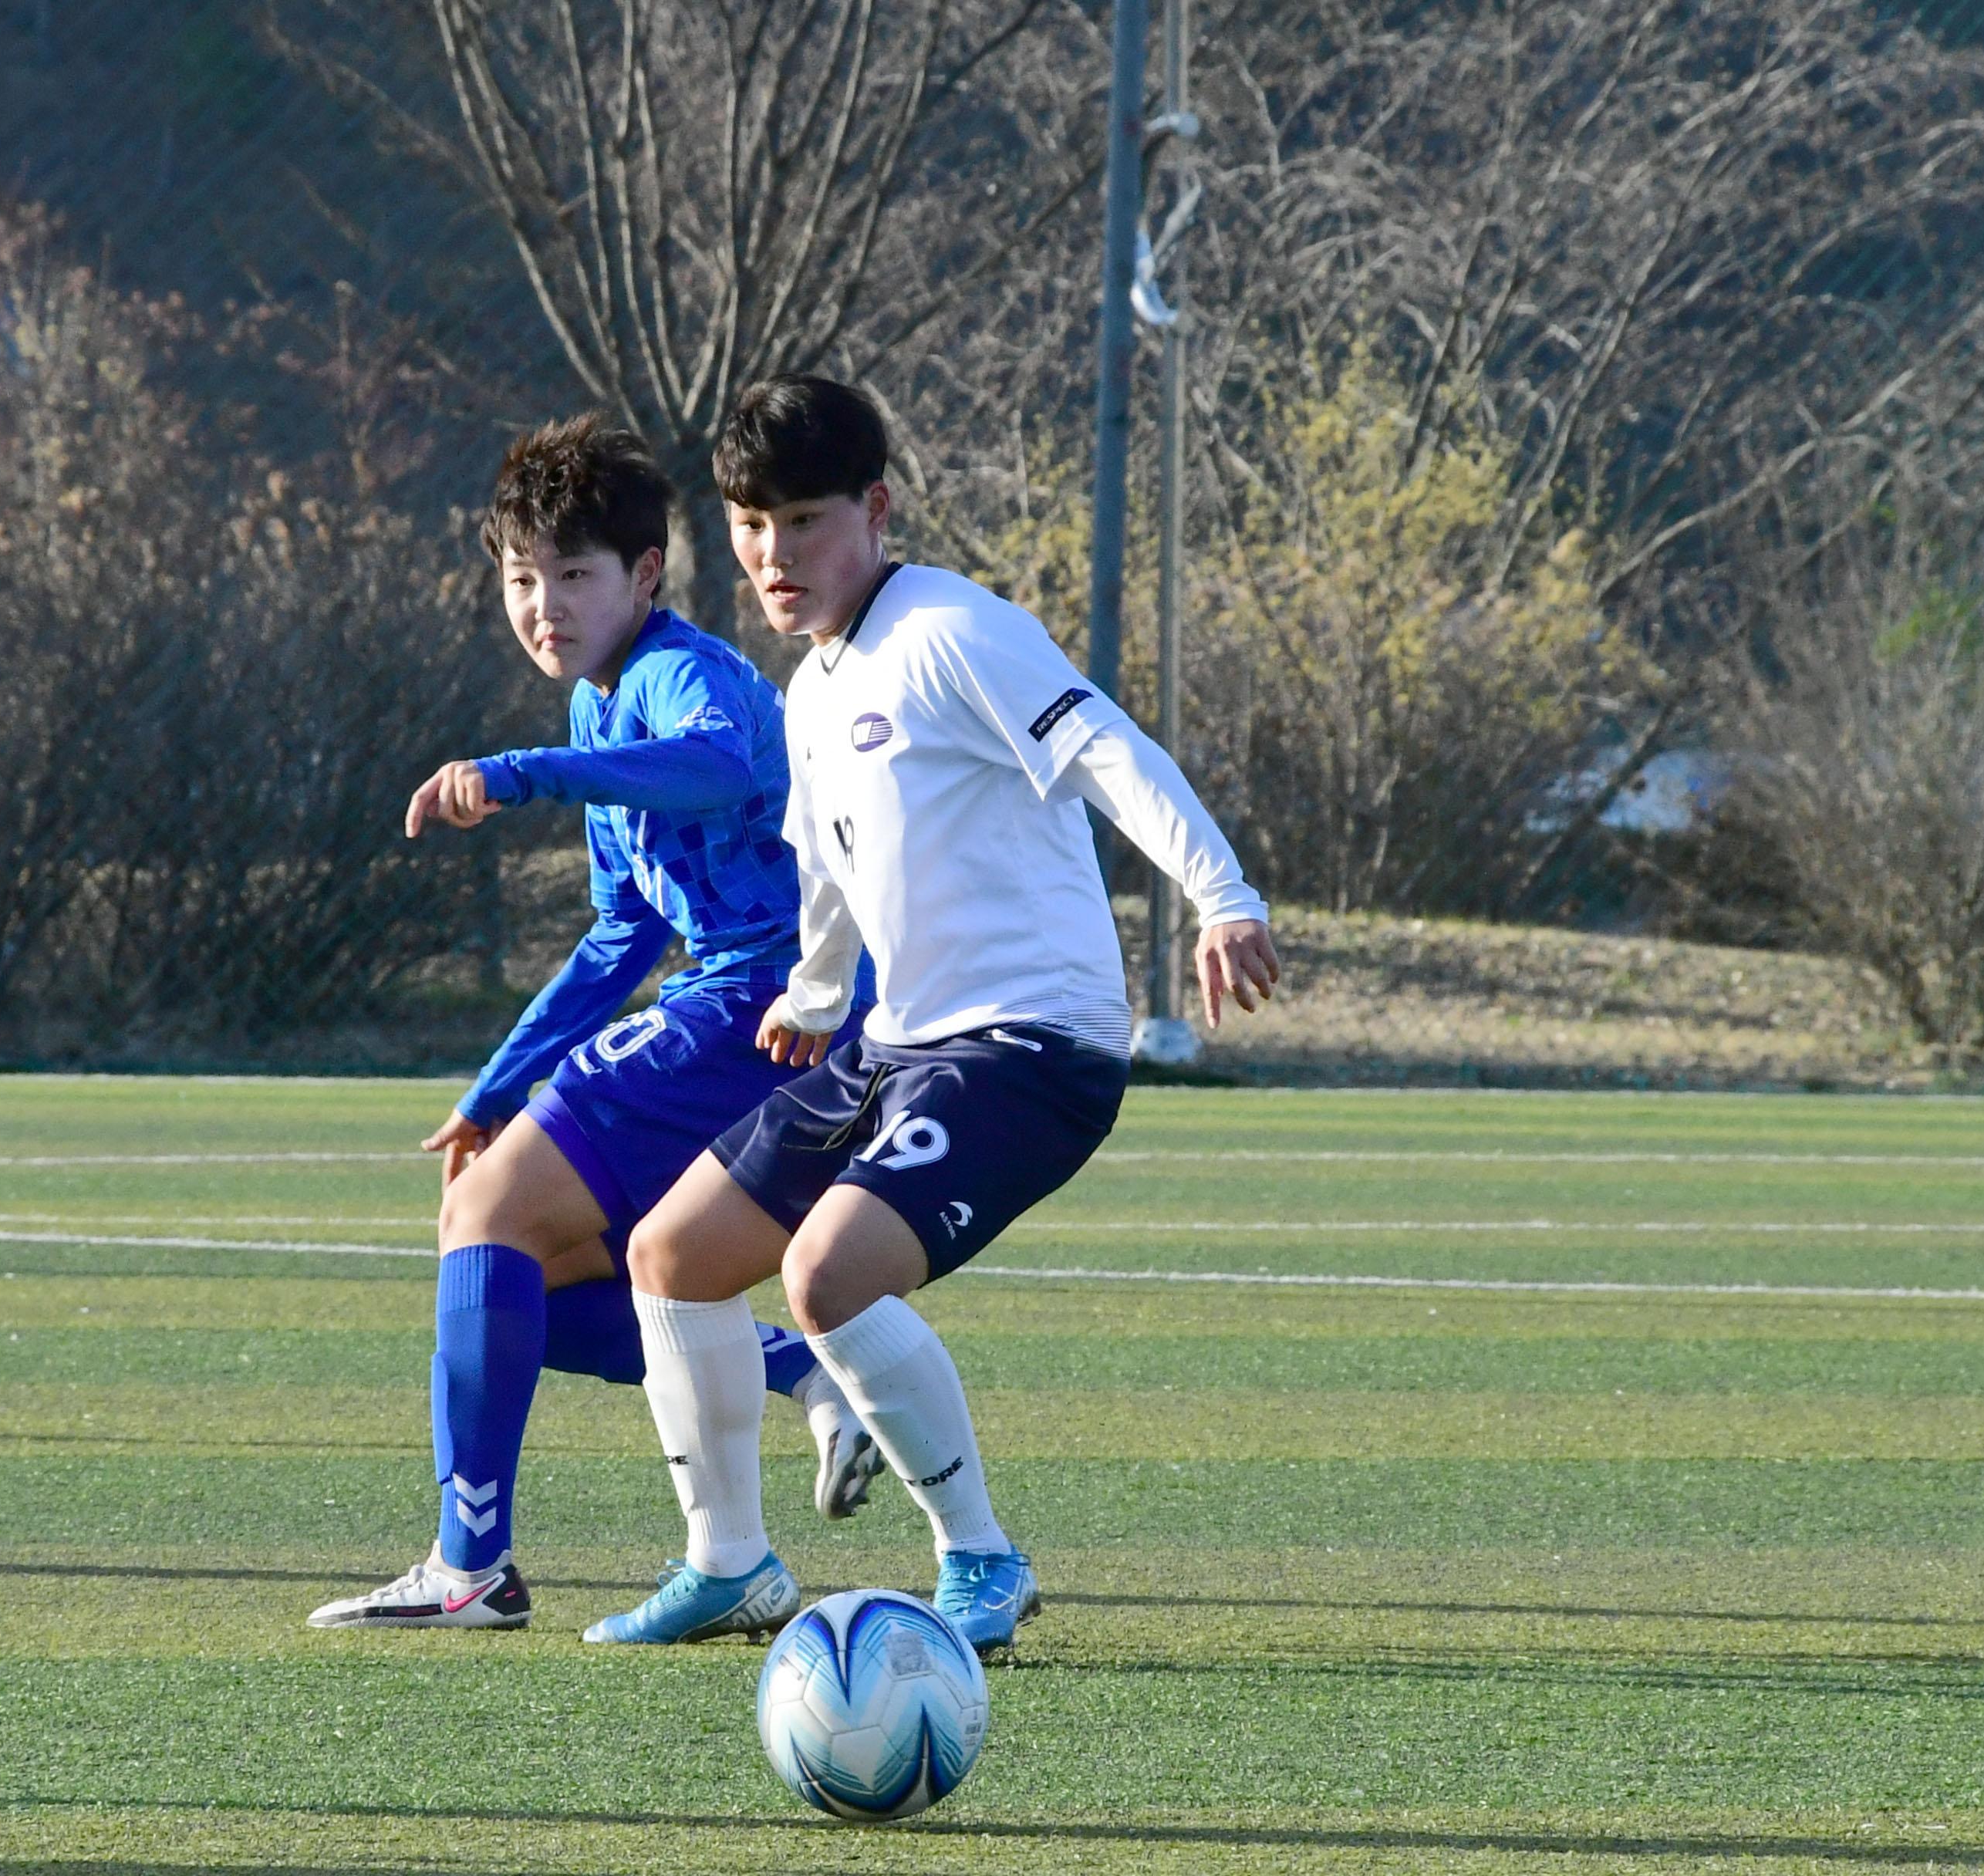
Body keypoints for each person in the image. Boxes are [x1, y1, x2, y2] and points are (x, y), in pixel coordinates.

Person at [586, 376, 1280, 1654]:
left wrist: (1222, 897)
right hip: (897, 1042)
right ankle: (729, 1564)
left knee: (825, 1276)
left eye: (803, 521)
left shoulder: (955, 629)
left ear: (877, 508)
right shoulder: (808, 689)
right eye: (750, 524)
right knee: (670, 1254)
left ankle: (983, 1561)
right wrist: (810, 994)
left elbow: (1112, 749)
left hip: (1031, 1047)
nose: (774, 556)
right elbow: (835, 869)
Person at [307, 413, 882, 1632]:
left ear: (647, 577)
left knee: (488, 1215)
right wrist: (494, 1090)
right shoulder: (597, 705)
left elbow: (724, 757)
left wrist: (522, 774)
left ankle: (471, 1568)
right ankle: (809, 1376)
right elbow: (620, 937)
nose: (543, 606)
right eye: (523, 579)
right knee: (541, 1262)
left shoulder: (678, 673)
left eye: (574, 576)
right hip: (739, 1006)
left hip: (772, 1005)